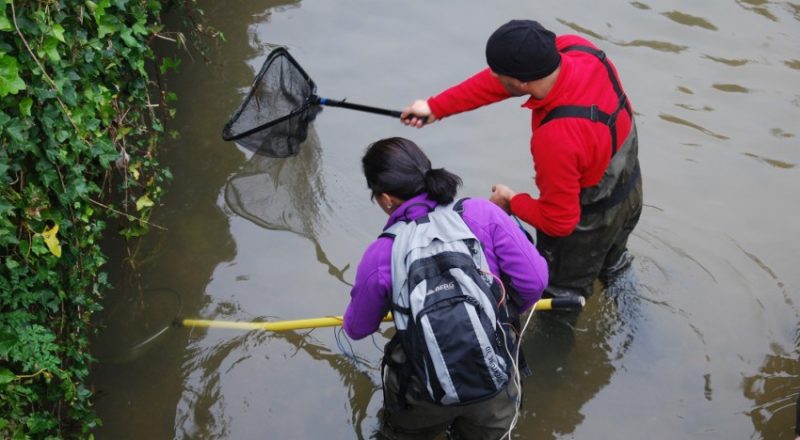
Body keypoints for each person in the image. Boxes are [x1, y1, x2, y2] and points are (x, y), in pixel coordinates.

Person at [402, 19, 643, 300]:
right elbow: (505, 82)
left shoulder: (556, 137)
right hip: (629, 187)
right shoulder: (578, 49)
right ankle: (630, 303)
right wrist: (436, 107)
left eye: (498, 73)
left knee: (558, 299)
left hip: (592, 217)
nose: (492, 77)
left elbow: (559, 222)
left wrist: (511, 200)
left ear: (522, 81)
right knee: (613, 264)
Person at [343, 137, 548, 440]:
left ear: (386, 198)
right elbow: (535, 283)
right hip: (492, 380)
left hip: (421, 389)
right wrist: (495, 311)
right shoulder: (482, 213)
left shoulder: (382, 252)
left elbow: (357, 328)